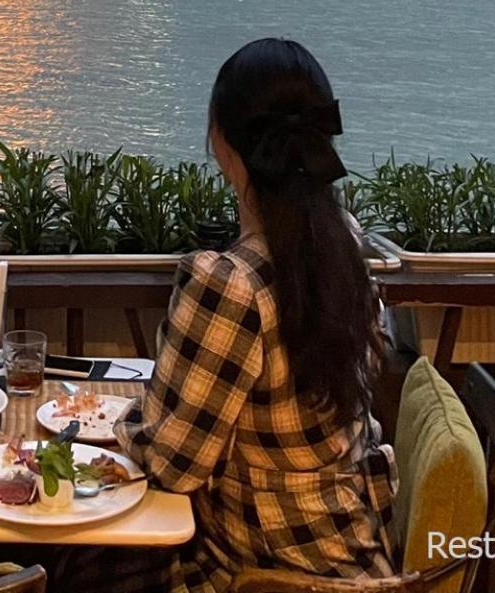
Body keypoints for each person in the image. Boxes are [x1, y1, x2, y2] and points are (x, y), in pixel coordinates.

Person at [107, 37, 395, 593]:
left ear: (222, 143)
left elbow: (173, 464)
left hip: (262, 574)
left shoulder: (230, 284)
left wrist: (117, 424)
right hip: (353, 555)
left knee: (74, 564)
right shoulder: (347, 250)